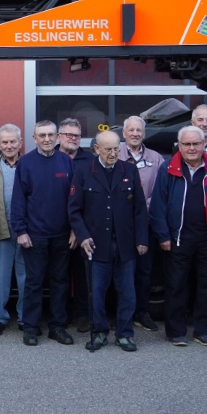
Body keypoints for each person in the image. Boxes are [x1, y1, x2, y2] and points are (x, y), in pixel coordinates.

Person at [69, 131, 149, 352]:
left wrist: (142, 239)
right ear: (96, 149)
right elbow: (74, 210)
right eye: (108, 149)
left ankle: (125, 334)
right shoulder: (84, 171)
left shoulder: (130, 170)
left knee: (127, 293)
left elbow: (140, 209)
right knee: (97, 293)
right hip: (96, 244)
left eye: (116, 148)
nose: (113, 153)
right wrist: (83, 236)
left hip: (125, 244)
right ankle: (99, 333)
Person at [150, 125, 207, 349]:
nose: (191, 148)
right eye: (187, 144)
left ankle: (204, 332)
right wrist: (163, 235)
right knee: (175, 286)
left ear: (204, 145)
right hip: (177, 239)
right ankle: (176, 332)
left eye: (196, 144)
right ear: (179, 145)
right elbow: (158, 205)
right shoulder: (168, 168)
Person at [11, 120, 76, 347]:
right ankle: (30, 326)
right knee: (34, 282)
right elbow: (18, 200)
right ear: (34, 138)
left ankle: (57, 327)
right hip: (35, 235)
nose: (46, 139)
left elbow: (75, 200)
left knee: (60, 282)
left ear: (58, 137)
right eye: (42, 135)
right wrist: (21, 230)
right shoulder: (26, 163)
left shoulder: (67, 162)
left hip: (62, 235)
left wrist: (75, 230)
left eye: (50, 135)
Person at [118, 115, 165, 332]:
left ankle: (142, 312)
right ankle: (118, 312)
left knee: (144, 271)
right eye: (131, 130)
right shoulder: (114, 154)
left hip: (146, 223)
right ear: (124, 133)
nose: (135, 134)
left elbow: (162, 192)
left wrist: (145, 204)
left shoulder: (156, 159)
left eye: (139, 130)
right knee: (119, 269)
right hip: (120, 226)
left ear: (144, 134)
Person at [0, 124, 27, 335]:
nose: (9, 145)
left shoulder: (30, 165)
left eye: (13, 141)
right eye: (5, 142)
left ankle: (26, 317)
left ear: (21, 143)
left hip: (26, 231)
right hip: (0, 229)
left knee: (26, 276)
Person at [57, 118, 96, 333]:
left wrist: (77, 230)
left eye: (77, 136)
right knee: (59, 274)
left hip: (83, 228)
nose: (73, 139)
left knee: (83, 275)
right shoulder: (49, 157)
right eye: (69, 135)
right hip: (55, 227)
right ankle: (62, 315)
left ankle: (83, 315)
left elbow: (92, 199)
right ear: (59, 136)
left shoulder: (90, 160)